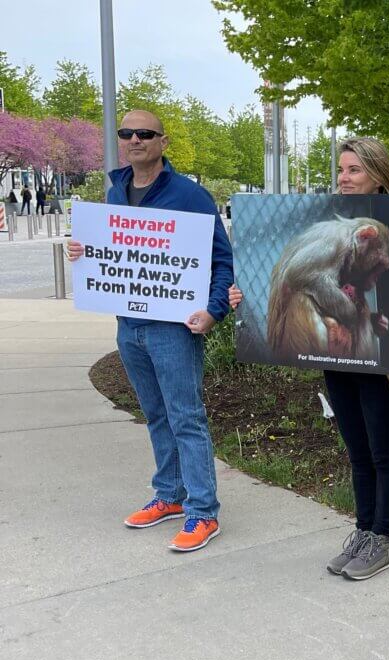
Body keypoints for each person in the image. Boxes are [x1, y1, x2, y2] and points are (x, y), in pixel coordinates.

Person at [229, 136, 389, 580]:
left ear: (377, 175)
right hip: (336, 358)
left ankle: (382, 538)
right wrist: (240, 295)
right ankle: (362, 530)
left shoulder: (371, 229)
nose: (343, 178)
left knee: (382, 451)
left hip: (377, 370)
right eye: (341, 170)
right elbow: (312, 285)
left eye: (353, 170)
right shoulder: (339, 237)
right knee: (356, 450)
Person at [66, 110, 233, 552]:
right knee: (156, 415)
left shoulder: (190, 196)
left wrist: (214, 311)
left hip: (173, 329)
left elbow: (222, 260)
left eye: (145, 133)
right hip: (130, 327)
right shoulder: (115, 193)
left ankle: (203, 511)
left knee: (186, 417)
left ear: (163, 141)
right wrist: (84, 251)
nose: (135, 139)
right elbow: (110, 251)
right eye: (127, 133)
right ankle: (170, 495)